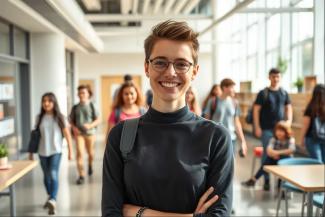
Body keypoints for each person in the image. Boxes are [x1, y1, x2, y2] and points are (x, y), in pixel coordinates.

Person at [102, 20, 233, 217]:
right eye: (160, 62)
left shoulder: (215, 137)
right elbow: (111, 212)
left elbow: (219, 214)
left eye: (181, 64)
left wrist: (138, 212)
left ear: (194, 71)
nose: (170, 72)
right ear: (147, 67)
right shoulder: (122, 135)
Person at [29, 92, 73, 215]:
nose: (46, 103)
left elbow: (67, 135)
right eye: (44, 101)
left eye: (49, 101)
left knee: (53, 174)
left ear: (54, 103)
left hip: (56, 151)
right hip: (42, 151)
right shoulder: (39, 117)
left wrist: (70, 150)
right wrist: (31, 152)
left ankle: (53, 199)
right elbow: (34, 136)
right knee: (46, 176)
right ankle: (50, 196)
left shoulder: (60, 117)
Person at [253, 68, 293, 190]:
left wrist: (289, 122)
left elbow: (289, 108)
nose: (276, 79)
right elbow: (256, 110)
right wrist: (257, 127)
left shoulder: (284, 93)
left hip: (281, 131)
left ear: (280, 78)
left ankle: (281, 182)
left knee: (282, 156)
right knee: (267, 154)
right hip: (266, 129)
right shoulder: (263, 93)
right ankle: (266, 180)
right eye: (273, 76)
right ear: (269, 77)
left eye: (278, 77)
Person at [242, 121, 295, 187]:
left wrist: (277, 153)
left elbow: (291, 150)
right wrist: (275, 154)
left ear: (286, 132)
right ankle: (257, 180)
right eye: (278, 130)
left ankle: (255, 180)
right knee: (267, 161)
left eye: (281, 131)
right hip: (275, 159)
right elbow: (269, 150)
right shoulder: (273, 139)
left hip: (286, 162)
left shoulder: (290, 139)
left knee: (281, 161)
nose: (279, 133)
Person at [203, 78, 247, 157]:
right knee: (216, 165)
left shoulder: (235, 102)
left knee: (231, 165)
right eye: (232, 87)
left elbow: (237, 123)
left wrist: (243, 141)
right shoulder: (213, 101)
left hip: (231, 139)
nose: (234, 90)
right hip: (216, 139)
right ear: (224, 88)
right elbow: (206, 121)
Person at [69, 85, 100, 185]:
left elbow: (98, 119)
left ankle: (90, 164)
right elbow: (71, 121)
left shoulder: (92, 106)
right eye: (80, 93)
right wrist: (74, 128)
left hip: (90, 134)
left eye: (84, 92)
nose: (81, 94)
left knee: (90, 153)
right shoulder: (75, 107)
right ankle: (81, 175)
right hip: (79, 134)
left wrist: (90, 125)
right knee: (80, 153)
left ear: (88, 94)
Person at [299, 84, 325, 163]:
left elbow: (305, 125)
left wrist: (302, 140)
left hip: (311, 138)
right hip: (323, 137)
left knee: (317, 162)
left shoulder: (311, 107)